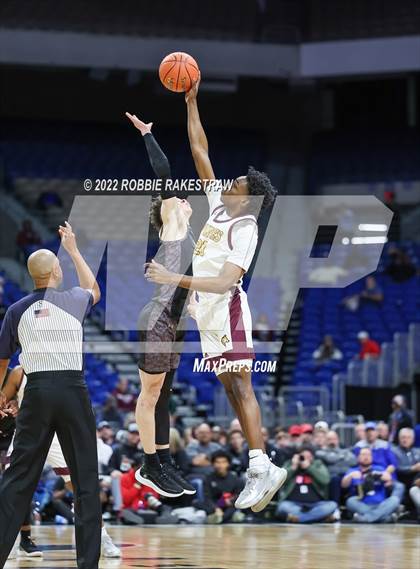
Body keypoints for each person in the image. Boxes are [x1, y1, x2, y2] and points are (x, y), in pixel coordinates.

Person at [146, 76, 287, 513]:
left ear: (248, 201)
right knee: (228, 386)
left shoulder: (244, 227)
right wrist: (191, 102)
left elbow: (226, 282)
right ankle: (257, 461)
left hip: (226, 309)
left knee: (241, 385)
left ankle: (262, 464)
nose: (228, 184)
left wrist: (178, 282)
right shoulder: (220, 204)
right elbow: (200, 150)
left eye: (238, 185)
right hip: (206, 313)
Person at [0, 223, 102, 568]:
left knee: (18, 479)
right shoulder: (74, 299)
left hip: (37, 392)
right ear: (56, 271)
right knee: (85, 478)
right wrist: (72, 249)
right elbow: (94, 289)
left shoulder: (15, 311)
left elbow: (2, 361)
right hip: (72, 390)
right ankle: (88, 563)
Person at [126, 112, 196, 498]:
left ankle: (164, 462)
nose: (184, 200)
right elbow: (165, 173)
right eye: (178, 200)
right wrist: (149, 136)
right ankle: (148, 464)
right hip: (156, 319)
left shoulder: (190, 239)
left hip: (176, 323)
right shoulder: (172, 223)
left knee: (164, 396)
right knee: (150, 395)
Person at [2, 365, 120, 560]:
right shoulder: (19, 372)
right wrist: (12, 404)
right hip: (27, 433)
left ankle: (103, 537)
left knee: (80, 487)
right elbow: (4, 400)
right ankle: (16, 541)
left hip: (58, 434)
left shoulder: (66, 367)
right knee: (12, 489)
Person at [275, 446, 338, 523]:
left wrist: (309, 468)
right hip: (293, 504)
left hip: (316, 504)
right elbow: (279, 481)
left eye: (309, 457)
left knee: (332, 505)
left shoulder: (318, 464)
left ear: (312, 458)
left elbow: (325, 480)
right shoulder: (290, 464)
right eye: (303, 456)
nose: (305, 459)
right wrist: (293, 468)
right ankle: (319, 518)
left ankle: (300, 518)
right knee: (283, 506)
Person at [342, 447, 400, 523]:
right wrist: (350, 476)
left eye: (368, 455)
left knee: (395, 499)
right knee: (350, 501)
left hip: (381, 504)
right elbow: (343, 485)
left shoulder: (378, 468)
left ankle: (365, 519)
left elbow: (388, 477)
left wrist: (375, 475)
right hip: (362, 505)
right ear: (358, 457)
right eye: (363, 454)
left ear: (372, 457)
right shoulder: (353, 470)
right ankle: (385, 518)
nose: (366, 457)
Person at [201, 450, 244, 524]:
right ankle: (221, 518)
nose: (220, 465)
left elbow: (239, 495)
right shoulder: (208, 479)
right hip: (214, 505)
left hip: (230, 506)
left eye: (223, 462)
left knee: (236, 508)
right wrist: (216, 508)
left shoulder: (235, 479)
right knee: (198, 504)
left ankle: (221, 518)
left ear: (228, 463)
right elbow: (207, 498)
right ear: (213, 464)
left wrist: (230, 501)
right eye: (217, 462)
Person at [393, 428, 420, 515]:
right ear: (399, 438)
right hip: (401, 479)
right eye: (403, 437)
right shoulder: (394, 451)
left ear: (413, 439)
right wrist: (412, 468)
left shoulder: (417, 451)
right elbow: (395, 468)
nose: (405, 440)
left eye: (408, 437)